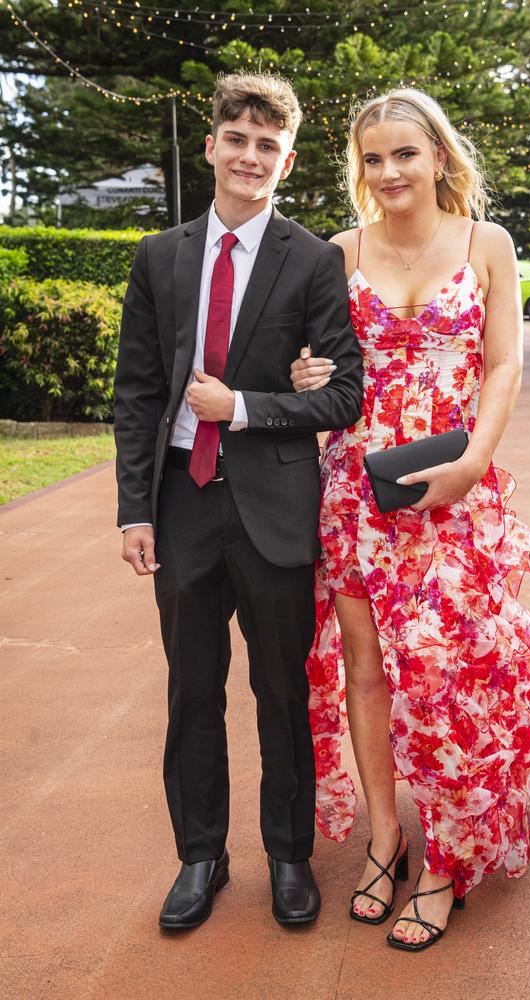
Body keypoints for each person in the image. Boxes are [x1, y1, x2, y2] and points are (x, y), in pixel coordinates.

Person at [290, 88, 530, 952]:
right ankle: (385, 838)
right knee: (366, 673)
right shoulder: (338, 252)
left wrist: (475, 462)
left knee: (448, 674)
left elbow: (505, 362)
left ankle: (447, 860)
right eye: (373, 158)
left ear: (439, 155)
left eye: (404, 153)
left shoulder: (488, 243)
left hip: (453, 484)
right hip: (358, 489)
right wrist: (306, 374)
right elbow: (321, 366)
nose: (389, 172)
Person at [113, 73, 363, 931]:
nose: (251, 156)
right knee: (191, 691)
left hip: (274, 505)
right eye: (238, 139)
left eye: (269, 145)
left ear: (285, 161)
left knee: (281, 692)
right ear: (213, 145)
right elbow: (139, 393)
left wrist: (248, 408)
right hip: (180, 501)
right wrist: (133, 510)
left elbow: (345, 395)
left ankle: (289, 856)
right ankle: (201, 857)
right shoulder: (160, 256)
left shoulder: (315, 258)